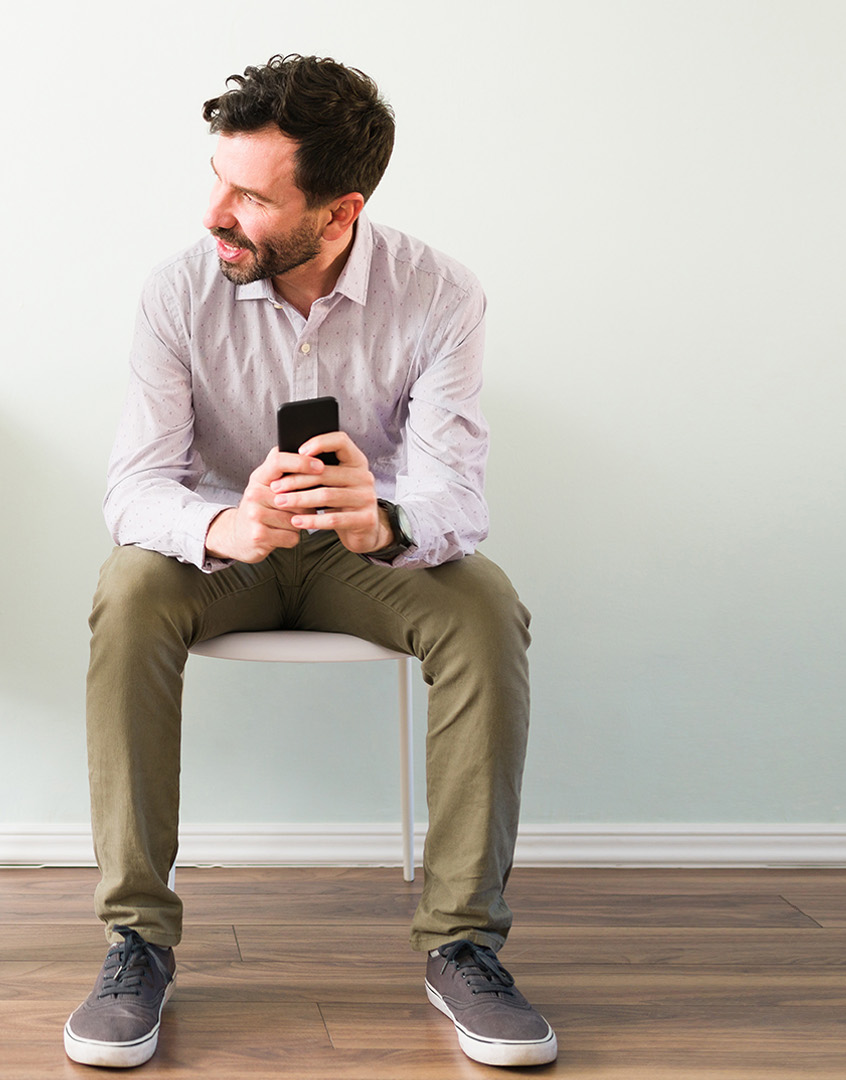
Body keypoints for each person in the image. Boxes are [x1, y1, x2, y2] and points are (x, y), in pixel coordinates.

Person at [62, 56, 555, 1068]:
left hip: (363, 554)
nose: (215, 213)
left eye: (248, 195)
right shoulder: (177, 294)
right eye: (217, 179)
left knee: (486, 608)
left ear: (338, 214)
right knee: (126, 588)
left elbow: (458, 492)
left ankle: (462, 942)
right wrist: (222, 530)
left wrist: (380, 517)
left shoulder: (442, 295)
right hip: (224, 552)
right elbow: (134, 486)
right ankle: (135, 940)